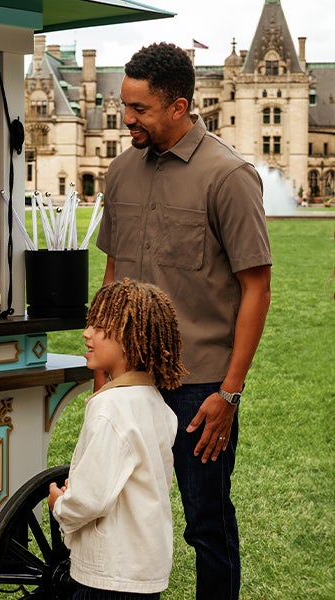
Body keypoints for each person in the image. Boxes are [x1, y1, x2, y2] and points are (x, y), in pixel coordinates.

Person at [95, 42, 272, 599]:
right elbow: (114, 271)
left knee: (207, 523)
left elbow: (256, 286)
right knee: (113, 507)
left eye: (139, 109)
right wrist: (103, 361)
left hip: (199, 386)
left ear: (178, 107)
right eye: (124, 106)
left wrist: (230, 393)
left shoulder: (229, 176)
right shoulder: (121, 171)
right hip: (129, 379)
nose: (126, 119)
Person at [48, 278, 187, 599]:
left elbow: (91, 498)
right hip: (144, 569)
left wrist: (61, 504)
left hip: (108, 574)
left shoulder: (111, 408)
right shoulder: (155, 403)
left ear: (127, 339)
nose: (86, 334)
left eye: (99, 327)